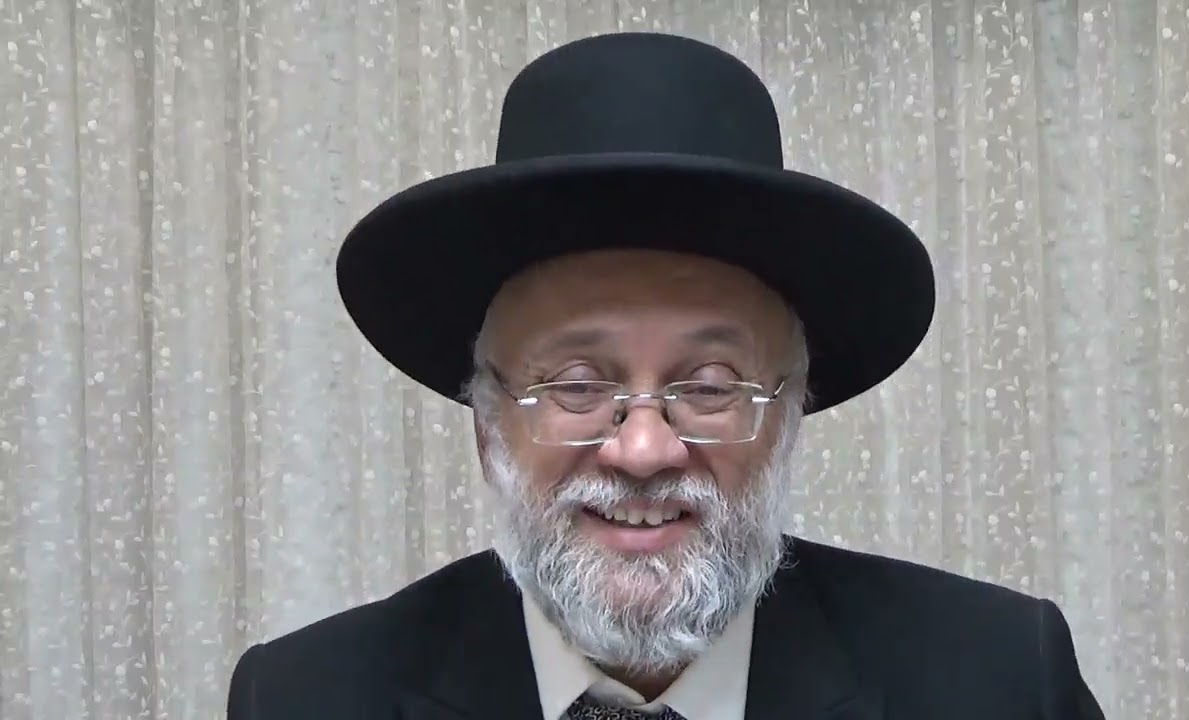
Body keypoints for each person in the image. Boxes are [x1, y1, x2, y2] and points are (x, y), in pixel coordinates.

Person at [226, 32, 1105, 720]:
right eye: (577, 386)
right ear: (489, 427)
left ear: (788, 419)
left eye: (711, 386)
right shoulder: (306, 699)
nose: (644, 450)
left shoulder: (997, 683)